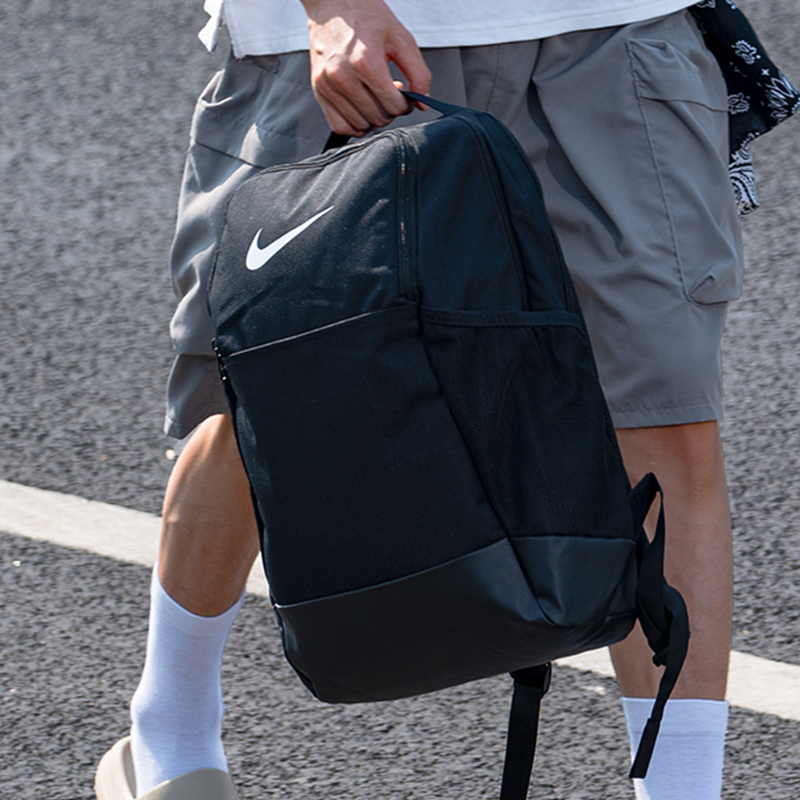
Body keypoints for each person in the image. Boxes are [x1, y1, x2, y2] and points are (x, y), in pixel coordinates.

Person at [95, 1, 741, 798]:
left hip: (616, 27)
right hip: (368, 42)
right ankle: (170, 730)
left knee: (664, 415)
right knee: (266, 403)